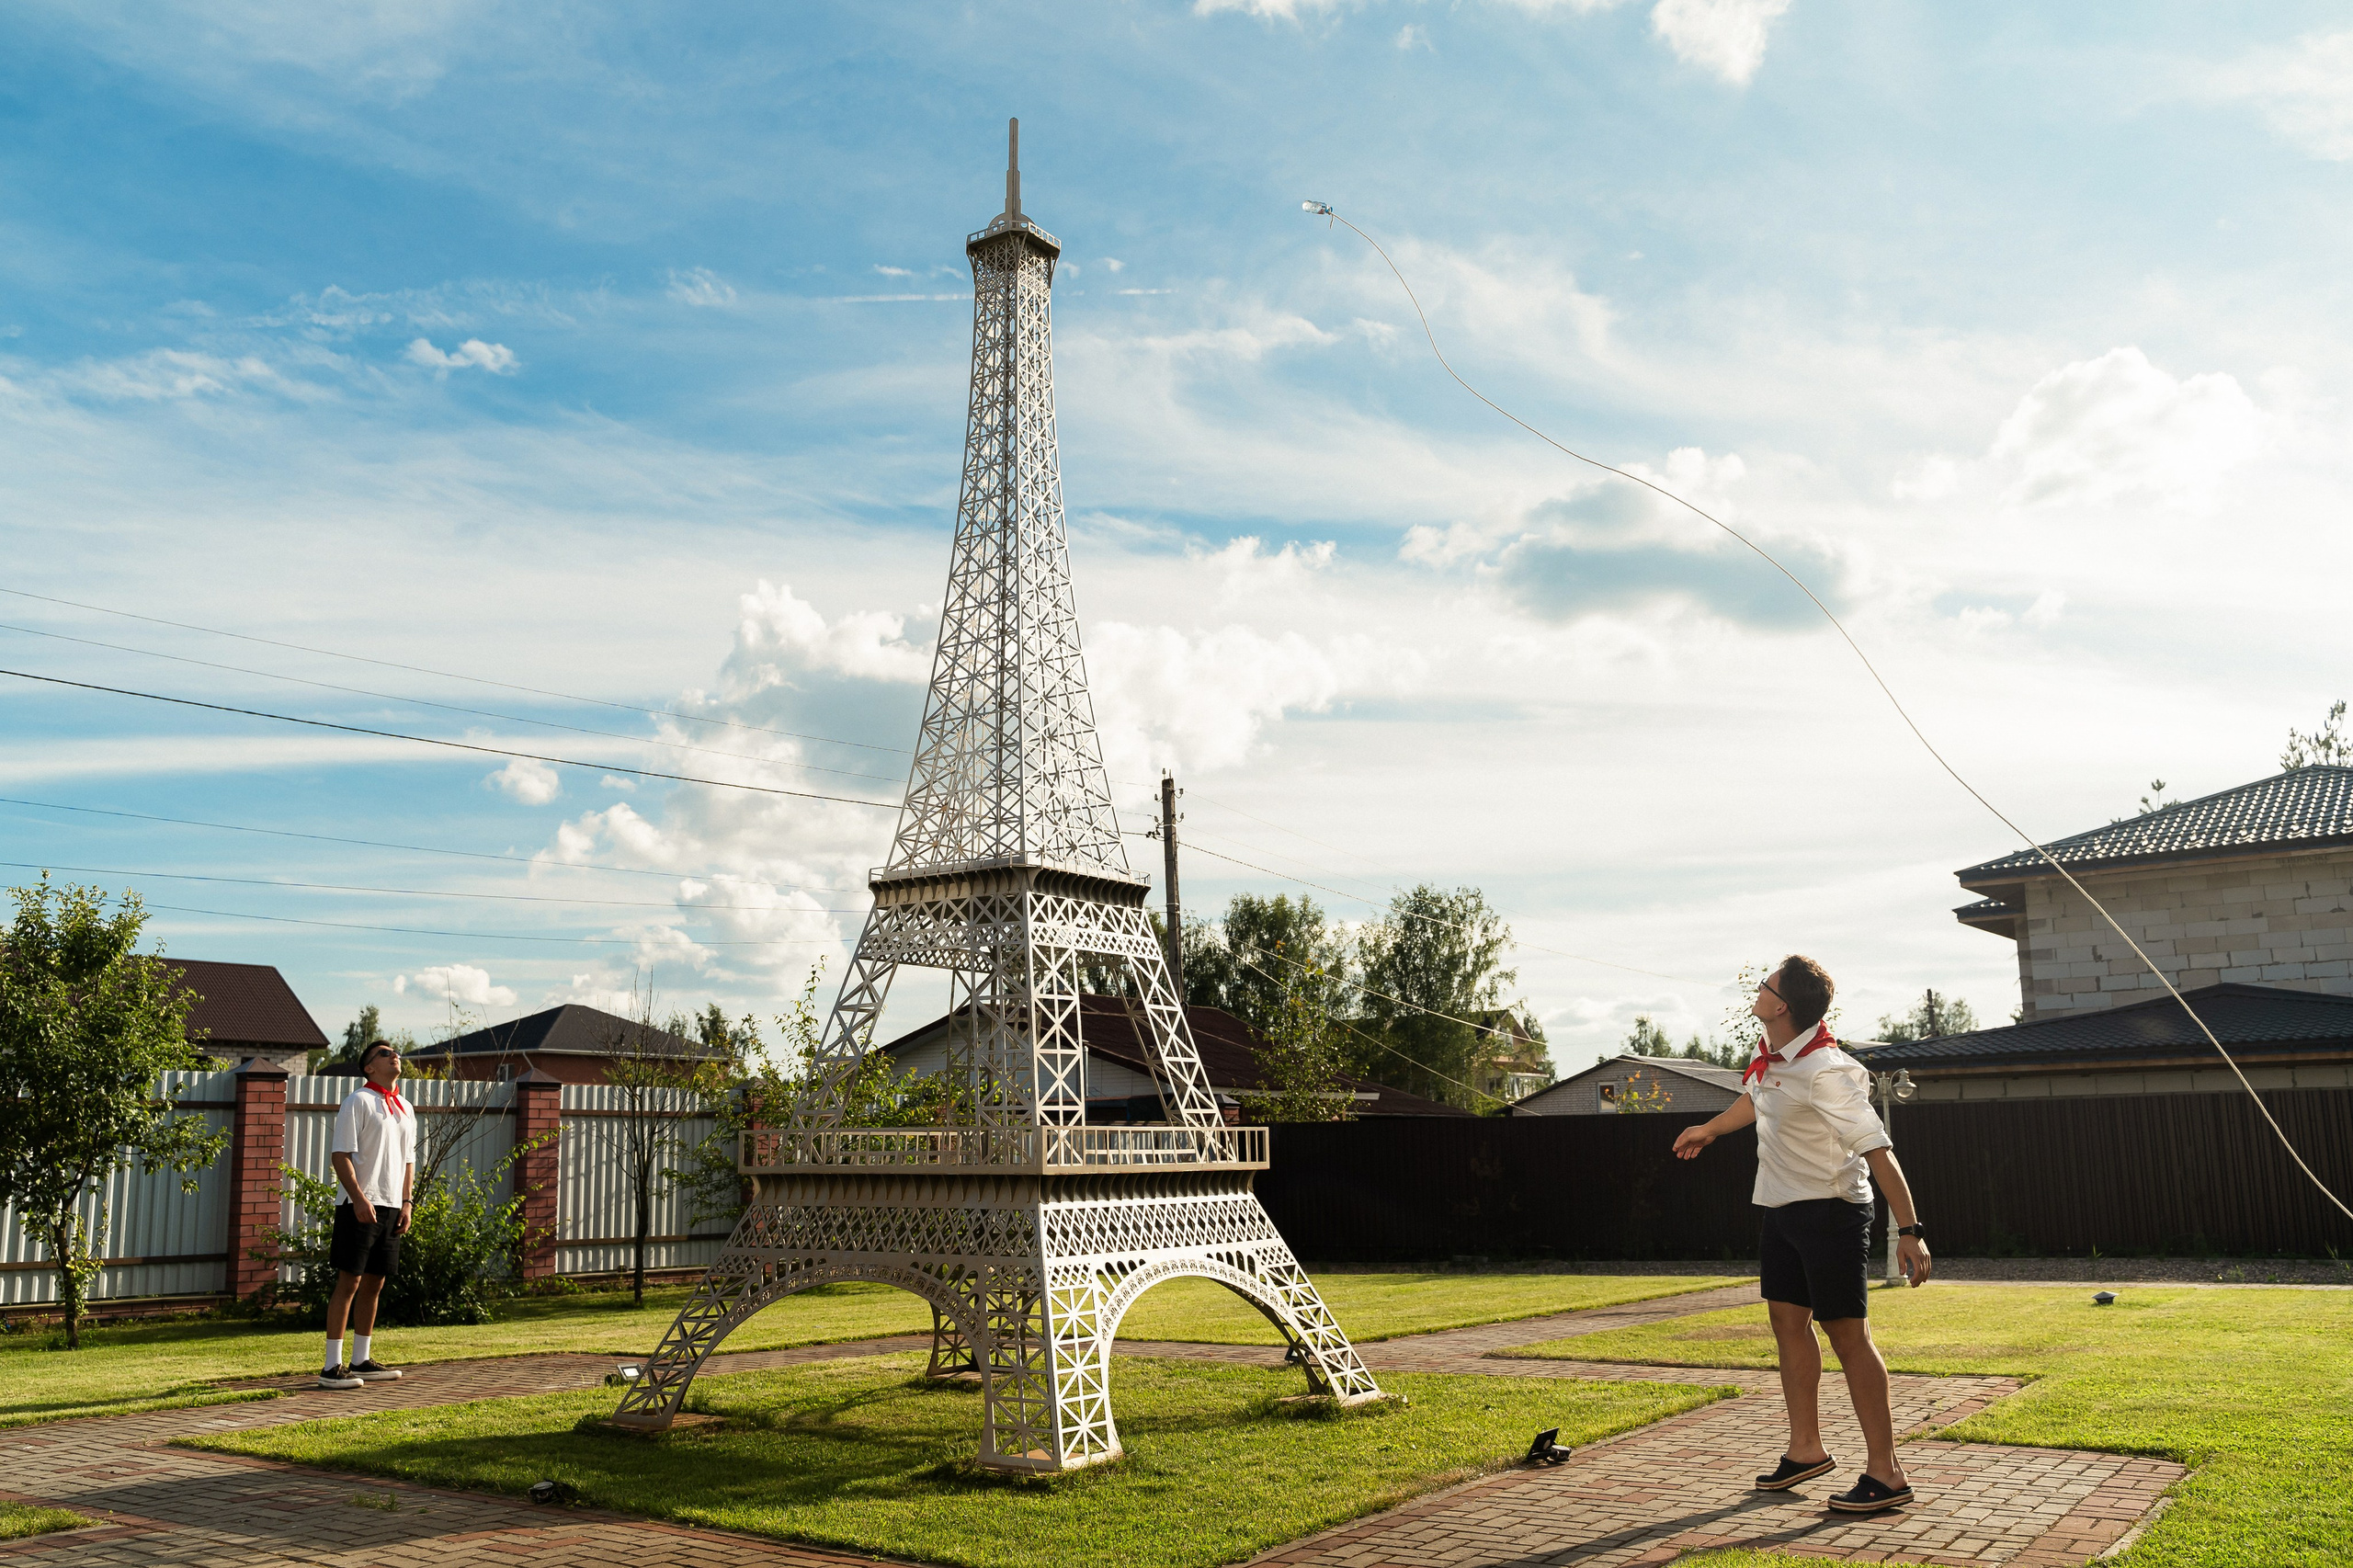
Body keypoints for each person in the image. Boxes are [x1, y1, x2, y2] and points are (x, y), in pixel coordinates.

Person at [1671, 956, 1931, 1515]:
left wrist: (1910, 1230)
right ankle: (1806, 1450)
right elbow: (1756, 1098)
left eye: (1766, 985)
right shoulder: (1771, 1060)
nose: (1758, 989)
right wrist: (1710, 1130)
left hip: (1832, 1214)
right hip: (1783, 1210)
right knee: (1788, 1322)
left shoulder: (1827, 1070)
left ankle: (1887, 1474)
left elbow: (1878, 1151)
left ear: (1782, 1004)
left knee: (1848, 1336)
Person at [319, 1041, 415, 1390]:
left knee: (376, 1282)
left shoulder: (404, 1106)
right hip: (359, 1205)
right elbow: (340, 1155)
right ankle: (332, 1367)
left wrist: (407, 1203)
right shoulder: (357, 1101)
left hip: (392, 1206)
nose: (394, 1056)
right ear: (369, 1067)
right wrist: (358, 1198)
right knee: (350, 1282)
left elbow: (408, 1161)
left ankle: (362, 1359)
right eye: (385, 1053)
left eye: (395, 1052)